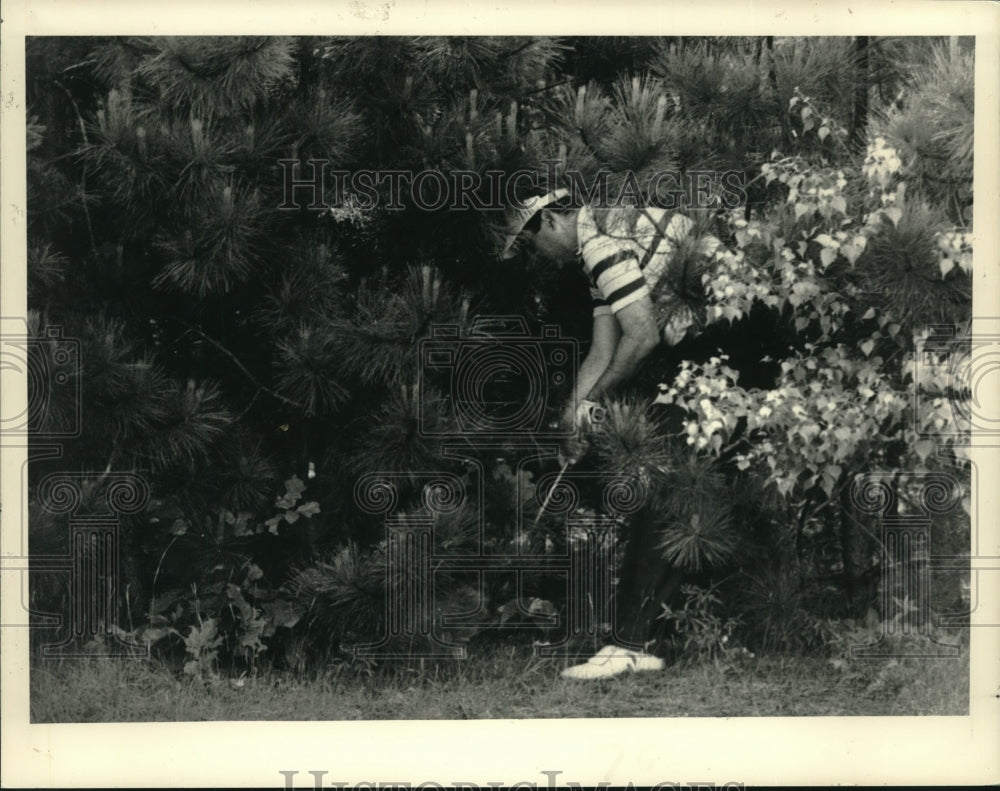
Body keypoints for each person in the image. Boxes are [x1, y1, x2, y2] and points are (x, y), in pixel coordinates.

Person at [499, 188, 720, 679]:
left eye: (535, 245)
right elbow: (604, 351)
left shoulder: (601, 241)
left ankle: (633, 645)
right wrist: (572, 414)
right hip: (707, 339)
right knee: (658, 484)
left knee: (661, 484)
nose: (540, 259)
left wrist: (593, 402)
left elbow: (642, 337)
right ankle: (637, 639)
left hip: (730, 335)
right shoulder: (597, 246)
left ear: (553, 221)